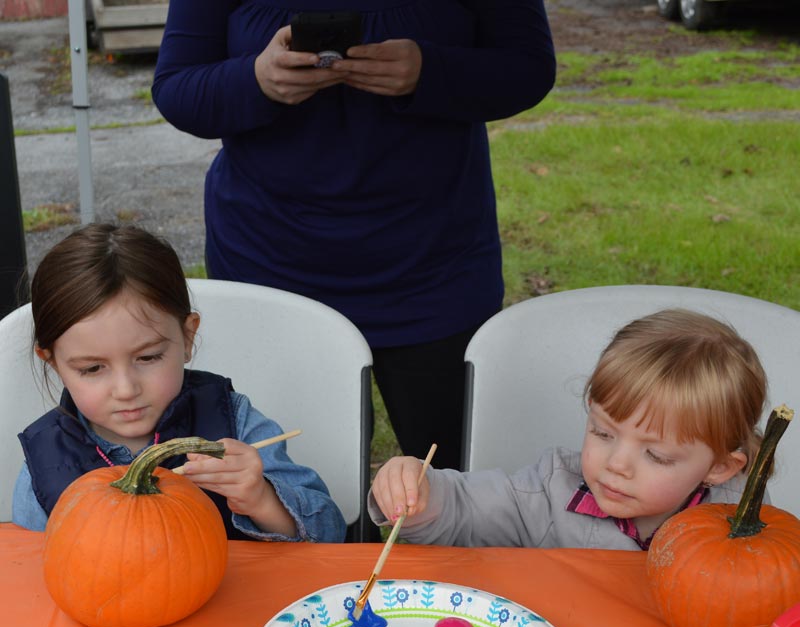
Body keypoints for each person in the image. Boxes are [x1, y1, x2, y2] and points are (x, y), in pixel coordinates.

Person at [151, 1, 557, 470]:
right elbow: (177, 88)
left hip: (434, 266)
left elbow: (528, 67)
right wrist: (257, 79)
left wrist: (430, 70)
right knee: (297, 488)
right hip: (272, 262)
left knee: (458, 485)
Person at [12, 223, 346, 543]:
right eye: (93, 368)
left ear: (187, 337)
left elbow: (331, 533)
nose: (126, 389)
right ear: (53, 362)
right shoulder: (43, 465)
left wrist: (261, 499)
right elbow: (30, 573)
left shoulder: (234, 422)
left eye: (148, 358)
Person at [368, 309, 768, 550]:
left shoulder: (744, 530)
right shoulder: (549, 492)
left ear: (719, 467)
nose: (617, 465)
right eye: (603, 433)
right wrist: (419, 491)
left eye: (656, 455)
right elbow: (464, 512)